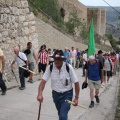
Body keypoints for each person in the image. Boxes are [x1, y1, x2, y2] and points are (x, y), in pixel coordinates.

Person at [37, 50, 80, 120]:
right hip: (56, 95)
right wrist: (40, 93)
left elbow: (76, 83)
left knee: (62, 115)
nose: (56, 61)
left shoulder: (68, 67)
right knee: (61, 113)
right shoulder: (50, 67)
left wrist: (76, 98)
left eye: (59, 59)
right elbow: (43, 82)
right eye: (55, 59)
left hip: (67, 94)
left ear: (62, 59)